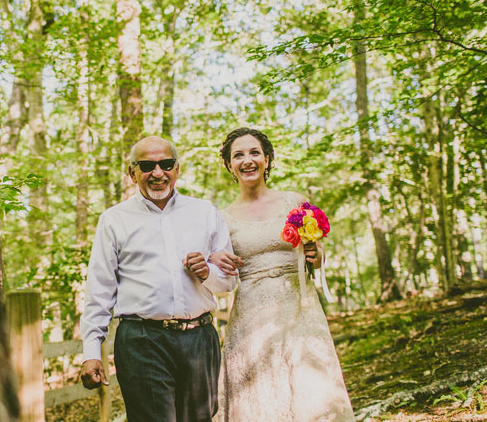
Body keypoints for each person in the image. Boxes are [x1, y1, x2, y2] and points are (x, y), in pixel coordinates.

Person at [80, 136, 239, 422]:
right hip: (142, 341)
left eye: (166, 164)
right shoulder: (114, 220)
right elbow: (99, 291)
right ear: (133, 173)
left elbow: (228, 282)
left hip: (199, 340)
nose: (157, 173)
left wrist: (206, 272)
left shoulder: (205, 213)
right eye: (147, 165)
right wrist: (91, 351)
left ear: (177, 169)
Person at [210, 127, 355, 421]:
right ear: (229, 165)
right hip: (251, 314)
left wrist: (316, 255)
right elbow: (220, 275)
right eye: (238, 155)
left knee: (309, 387)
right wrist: (214, 259)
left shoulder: (294, 201)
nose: (247, 160)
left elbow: (317, 253)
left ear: (267, 159)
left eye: (254, 153)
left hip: (299, 308)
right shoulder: (221, 218)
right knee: (261, 393)